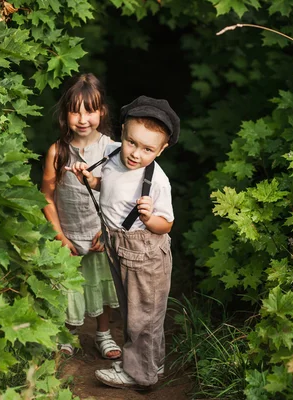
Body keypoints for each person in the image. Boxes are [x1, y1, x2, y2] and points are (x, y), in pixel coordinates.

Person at [67, 95, 179, 390]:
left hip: (145, 252)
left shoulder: (157, 182)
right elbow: (108, 184)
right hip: (118, 244)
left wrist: (150, 216)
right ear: (123, 134)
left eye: (147, 149)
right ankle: (149, 362)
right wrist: (89, 180)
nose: (135, 153)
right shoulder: (115, 155)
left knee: (144, 315)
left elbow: (166, 224)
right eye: (132, 142)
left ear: (162, 149)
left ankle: (139, 374)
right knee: (135, 310)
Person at [40, 73, 122, 360]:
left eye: (90, 110)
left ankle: (103, 334)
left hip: (100, 235)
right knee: (67, 288)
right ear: (66, 114)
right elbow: (47, 197)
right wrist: (59, 235)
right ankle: (67, 334)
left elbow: (119, 198)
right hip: (68, 237)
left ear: (102, 111)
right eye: (75, 111)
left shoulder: (113, 150)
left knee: (101, 285)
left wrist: (108, 229)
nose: (83, 118)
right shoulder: (57, 151)